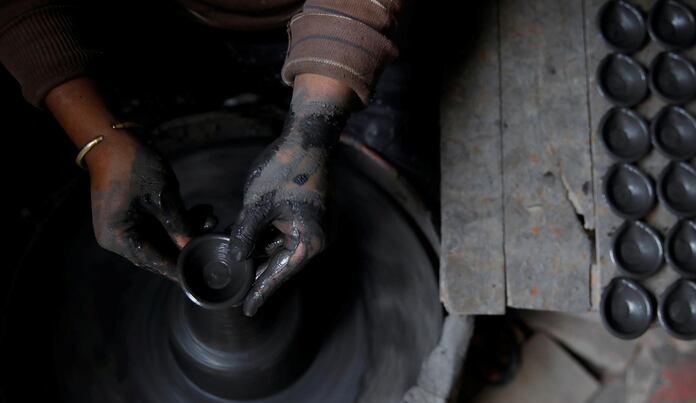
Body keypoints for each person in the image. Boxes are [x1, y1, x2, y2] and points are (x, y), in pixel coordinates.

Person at [0, 0, 403, 316]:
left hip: (329, 18)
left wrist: (311, 133)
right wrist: (100, 140)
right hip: (148, 17)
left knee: (403, 131)